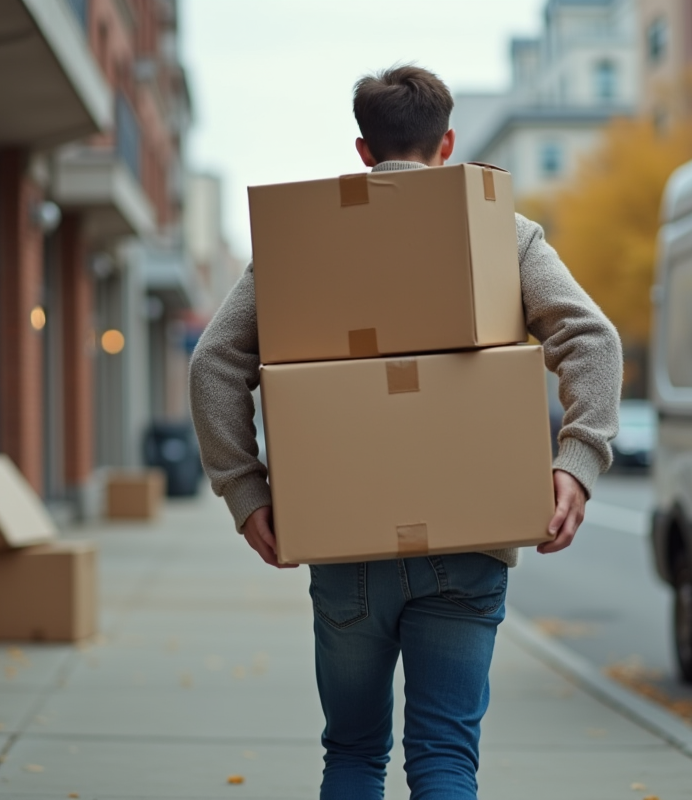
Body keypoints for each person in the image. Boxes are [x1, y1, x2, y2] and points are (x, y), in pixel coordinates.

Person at [189, 64, 622, 800]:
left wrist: (245, 491)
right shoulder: (502, 234)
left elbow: (212, 364)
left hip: (346, 539)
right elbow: (594, 339)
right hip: (471, 539)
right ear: (447, 143)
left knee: (354, 754)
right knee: (444, 757)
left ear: (364, 151)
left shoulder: (300, 243)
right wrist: (576, 462)